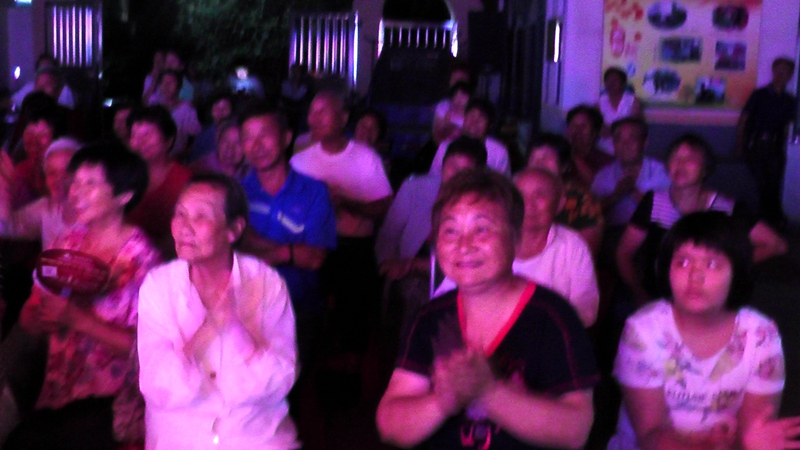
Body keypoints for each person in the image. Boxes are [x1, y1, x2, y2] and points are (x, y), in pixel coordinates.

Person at [376, 168, 598, 449]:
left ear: (515, 238)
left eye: (481, 229)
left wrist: (489, 392)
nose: (464, 245)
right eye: (450, 231)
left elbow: (576, 431)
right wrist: (443, 400)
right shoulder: (429, 319)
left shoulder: (553, 317)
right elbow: (390, 426)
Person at [4, 143, 159, 449]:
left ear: (123, 196)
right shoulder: (68, 241)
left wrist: (76, 319)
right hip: (56, 387)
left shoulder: (142, 260)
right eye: (75, 182)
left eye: (90, 184)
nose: (74, 192)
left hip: (111, 401)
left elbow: (146, 352)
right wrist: (36, 315)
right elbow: (31, 314)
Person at [608, 211, 800, 450]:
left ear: (737, 273)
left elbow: (754, 430)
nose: (695, 276)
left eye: (712, 264)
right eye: (682, 262)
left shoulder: (761, 335)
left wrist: (748, 443)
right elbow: (650, 434)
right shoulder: (643, 331)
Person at [138, 173, 299, 449]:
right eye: (180, 214)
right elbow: (158, 387)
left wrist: (235, 327)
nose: (184, 228)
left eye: (200, 216)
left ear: (233, 229)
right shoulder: (159, 286)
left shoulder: (265, 282)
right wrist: (211, 327)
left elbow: (280, 380)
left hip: (252, 435)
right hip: (179, 438)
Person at [616, 134, 787, 305]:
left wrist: (730, 264)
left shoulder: (726, 208)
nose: (680, 164)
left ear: (706, 168)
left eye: (690, 158)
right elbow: (624, 253)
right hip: (659, 296)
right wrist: (639, 293)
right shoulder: (653, 202)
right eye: (675, 157)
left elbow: (776, 245)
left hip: (709, 300)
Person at [239, 106, 336, 372]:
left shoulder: (314, 192)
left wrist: (256, 245)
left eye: (265, 135)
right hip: (244, 311)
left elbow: (315, 258)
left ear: (286, 137)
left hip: (298, 309)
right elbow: (232, 248)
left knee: (289, 385)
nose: (256, 145)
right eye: (247, 138)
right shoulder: (236, 192)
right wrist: (290, 252)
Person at [376, 137, 487, 330]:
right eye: (452, 166)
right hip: (406, 265)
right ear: (442, 165)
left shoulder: (481, 206)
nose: (456, 174)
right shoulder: (416, 187)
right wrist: (389, 263)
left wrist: (414, 265)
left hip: (453, 275)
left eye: (465, 171)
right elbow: (390, 233)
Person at [513, 168, 599, 327]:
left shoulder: (572, 245)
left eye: (540, 196)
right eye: (520, 195)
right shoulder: (492, 240)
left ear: (559, 204)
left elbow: (587, 307)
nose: (528, 204)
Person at [735, 57, 797, 229]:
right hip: (756, 145)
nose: (781, 74)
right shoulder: (759, 95)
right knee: (762, 185)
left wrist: (783, 145)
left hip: (775, 148)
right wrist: (739, 145)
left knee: (774, 184)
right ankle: (768, 221)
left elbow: (787, 127)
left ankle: (770, 221)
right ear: (773, 71)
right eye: (779, 70)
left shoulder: (790, 100)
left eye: (786, 71)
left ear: (791, 75)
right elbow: (743, 121)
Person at [126, 105, 193, 259]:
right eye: (134, 135)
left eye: (147, 134)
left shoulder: (184, 180)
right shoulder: (124, 174)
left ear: (168, 140)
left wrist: (144, 253)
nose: (140, 141)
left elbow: (183, 232)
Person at [527, 133, 604, 256]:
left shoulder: (583, 201)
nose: (538, 163)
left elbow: (586, 253)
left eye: (546, 157)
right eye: (533, 158)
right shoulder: (517, 196)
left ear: (564, 166)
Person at [590, 117, 670, 228]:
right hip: (611, 233)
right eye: (619, 139)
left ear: (644, 143)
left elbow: (668, 216)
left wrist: (634, 192)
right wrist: (616, 195)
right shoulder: (603, 175)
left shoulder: (662, 173)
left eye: (632, 139)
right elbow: (590, 214)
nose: (625, 145)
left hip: (652, 232)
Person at [0, 137, 79, 248]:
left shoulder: (96, 214)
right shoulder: (45, 208)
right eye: (52, 173)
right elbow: (4, 228)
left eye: (66, 172)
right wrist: (5, 186)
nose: (59, 179)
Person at [428, 98, 511, 176]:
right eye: (471, 116)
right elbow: (433, 177)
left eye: (481, 118)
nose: (474, 122)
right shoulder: (445, 146)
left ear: (490, 125)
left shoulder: (499, 152)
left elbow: (504, 183)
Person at [151, 70, 201, 159]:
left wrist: (181, 156)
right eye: (163, 82)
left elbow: (195, 139)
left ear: (179, 86)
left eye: (171, 82)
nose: (166, 85)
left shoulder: (188, 111)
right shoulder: (153, 106)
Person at [565, 105, 614, 188]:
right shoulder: (557, 153)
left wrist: (574, 154)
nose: (577, 130)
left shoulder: (607, 161)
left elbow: (598, 185)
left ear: (595, 132)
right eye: (573, 125)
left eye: (583, 126)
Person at [598, 67, 643, 154]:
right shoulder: (599, 102)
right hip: (604, 148)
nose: (611, 83)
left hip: (627, 146)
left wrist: (614, 131)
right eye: (608, 80)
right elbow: (600, 129)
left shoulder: (633, 101)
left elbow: (636, 127)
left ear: (623, 83)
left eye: (615, 80)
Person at [188, 91, 235, 164]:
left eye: (225, 108)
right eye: (217, 107)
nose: (220, 111)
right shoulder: (204, 134)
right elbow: (194, 159)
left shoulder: (236, 134)